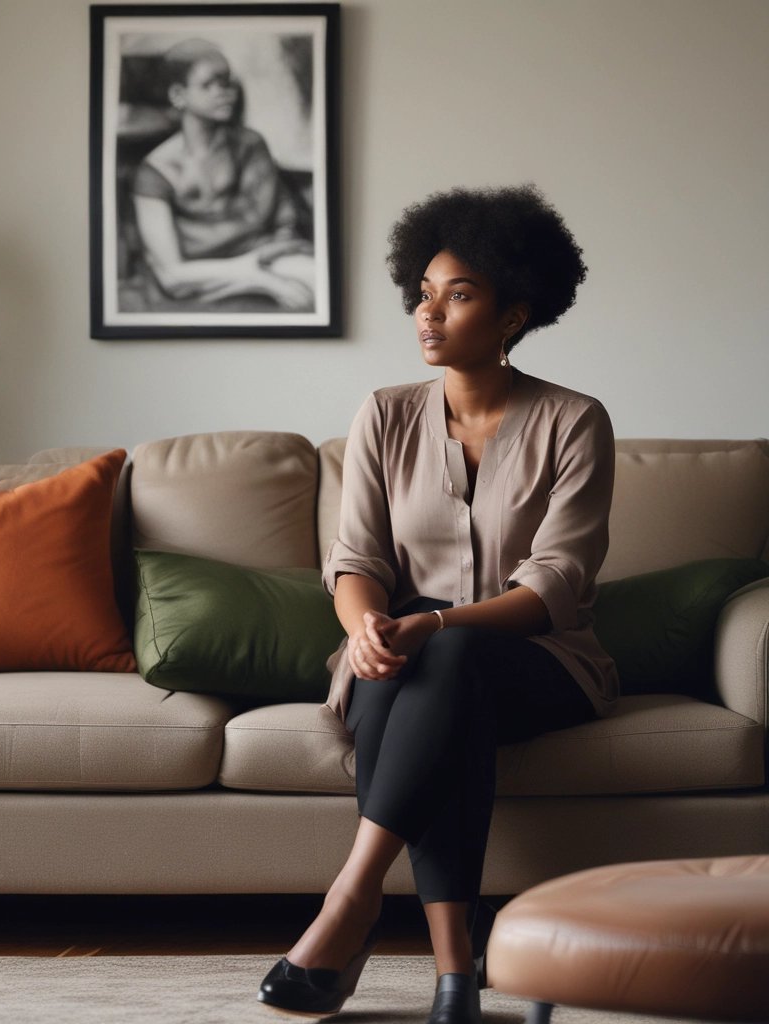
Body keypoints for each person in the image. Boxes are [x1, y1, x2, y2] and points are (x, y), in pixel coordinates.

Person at [256, 184, 618, 1024]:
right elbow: (356, 561)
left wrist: (434, 624)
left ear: (514, 313)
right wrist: (364, 631)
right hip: (405, 656)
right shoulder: (383, 416)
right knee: (429, 674)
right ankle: (455, 975)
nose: (429, 313)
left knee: (444, 653)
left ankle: (351, 899)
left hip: (542, 661)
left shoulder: (575, 421)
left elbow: (553, 585)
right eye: (423, 293)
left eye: (459, 295)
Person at [131, 38, 315, 311]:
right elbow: (172, 275)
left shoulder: (250, 145)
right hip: (200, 274)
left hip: (265, 256)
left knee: (317, 282)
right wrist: (262, 281)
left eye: (226, 82)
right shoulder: (156, 170)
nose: (224, 92)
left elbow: (276, 223)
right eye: (209, 85)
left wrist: (266, 261)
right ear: (178, 95)